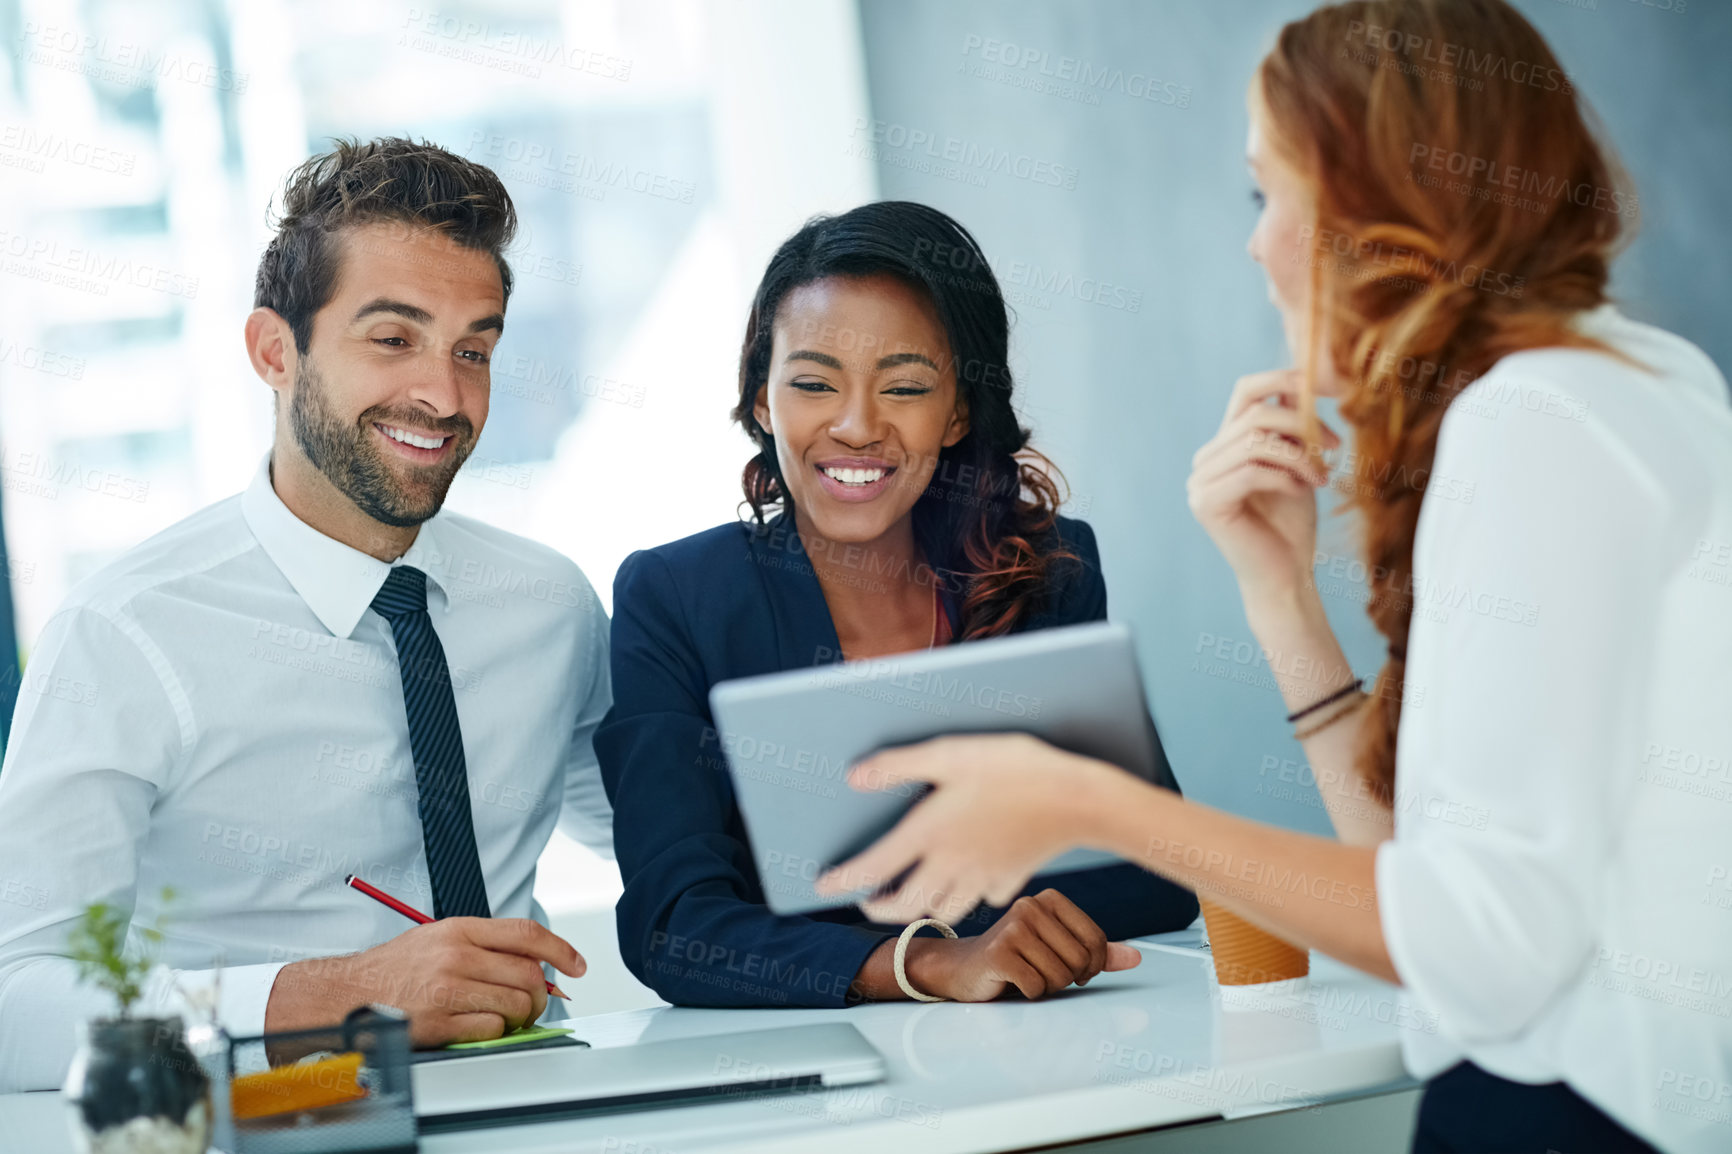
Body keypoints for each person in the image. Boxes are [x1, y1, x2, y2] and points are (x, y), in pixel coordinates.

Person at [817, 3, 1731, 1152]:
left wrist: (1092, 801)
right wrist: (1278, 593)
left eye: (1267, 195)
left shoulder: (1535, 417)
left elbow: (1486, 951)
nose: (1256, 245)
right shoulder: (1641, 379)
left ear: (1368, 196)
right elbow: (1418, 876)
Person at [0, 138, 610, 1091]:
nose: (443, 396)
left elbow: (668, 841)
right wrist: (326, 998)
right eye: (393, 339)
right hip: (268, 1127)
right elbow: (13, 1002)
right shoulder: (127, 633)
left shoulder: (550, 605)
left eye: (473, 350)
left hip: (549, 1106)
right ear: (275, 351)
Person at [597, 202, 1198, 1008]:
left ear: (955, 412)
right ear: (764, 400)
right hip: (821, 1080)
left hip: (1055, 1042)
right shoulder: (675, 598)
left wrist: (989, 940)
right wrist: (932, 962)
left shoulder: (1046, 570)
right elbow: (674, 927)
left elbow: (1150, 878)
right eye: (813, 383)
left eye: (906, 386)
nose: (856, 426)